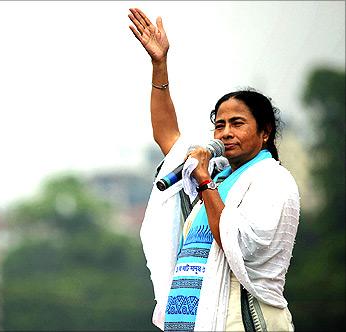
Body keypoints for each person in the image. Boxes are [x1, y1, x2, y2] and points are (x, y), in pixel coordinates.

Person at [128, 8, 300, 332]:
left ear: (265, 132)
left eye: (237, 123)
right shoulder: (218, 176)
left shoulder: (272, 181)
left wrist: (205, 181)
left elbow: (241, 245)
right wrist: (159, 65)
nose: (224, 133)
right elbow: (167, 135)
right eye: (219, 125)